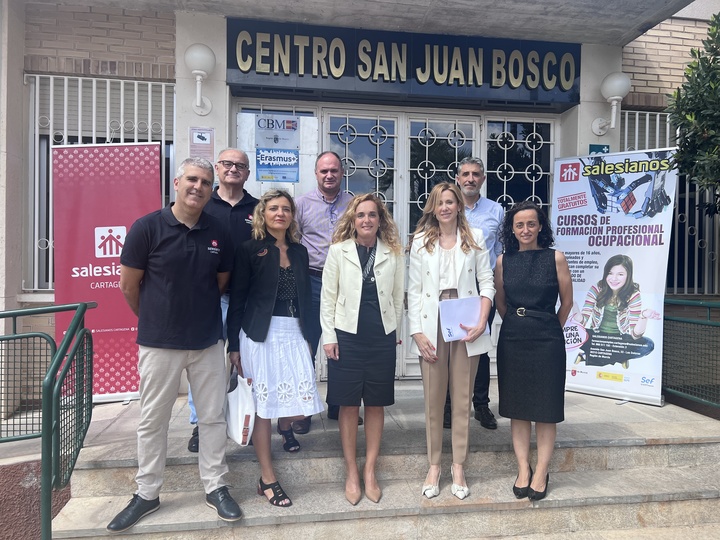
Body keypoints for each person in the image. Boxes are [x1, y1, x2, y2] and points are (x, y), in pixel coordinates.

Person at [108, 157, 241, 533]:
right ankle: (147, 493)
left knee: (213, 417)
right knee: (153, 420)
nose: (198, 187)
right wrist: (156, 316)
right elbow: (128, 287)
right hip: (159, 343)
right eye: (192, 180)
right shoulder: (147, 228)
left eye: (205, 182)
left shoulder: (218, 232)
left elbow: (219, 282)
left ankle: (215, 486)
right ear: (177, 182)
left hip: (206, 341)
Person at [227, 189, 324, 507]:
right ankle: (267, 478)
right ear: (262, 214)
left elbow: (306, 298)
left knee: (298, 403)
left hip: (294, 333)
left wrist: (312, 335)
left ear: (292, 215)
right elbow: (237, 299)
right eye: (273, 208)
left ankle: (287, 433)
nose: (280, 213)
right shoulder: (249, 249)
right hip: (258, 335)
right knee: (261, 410)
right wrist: (233, 346)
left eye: (286, 209)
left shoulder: (299, 252)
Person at [407, 182, 495, 501]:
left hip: (466, 323)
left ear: (459, 205)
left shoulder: (476, 239)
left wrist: (482, 320)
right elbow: (414, 291)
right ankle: (434, 465)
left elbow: (487, 284)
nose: (445, 207)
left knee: (461, 398)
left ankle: (458, 465)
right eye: (439, 202)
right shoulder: (420, 242)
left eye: (450, 201)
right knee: (433, 401)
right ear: (433, 207)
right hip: (432, 325)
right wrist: (417, 332)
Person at [320, 194, 404, 505]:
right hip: (347, 337)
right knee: (348, 405)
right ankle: (351, 471)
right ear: (353, 220)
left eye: (372, 215)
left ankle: (370, 470)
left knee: (377, 404)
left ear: (380, 220)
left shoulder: (393, 253)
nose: (366, 220)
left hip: (380, 337)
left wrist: (394, 331)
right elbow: (328, 299)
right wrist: (329, 336)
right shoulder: (338, 252)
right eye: (360, 215)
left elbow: (398, 298)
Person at [494, 200, 573, 502]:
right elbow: (501, 303)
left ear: (541, 226)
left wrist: (549, 327)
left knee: (546, 408)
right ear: (511, 229)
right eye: (519, 225)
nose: (525, 229)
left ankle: (541, 471)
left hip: (547, 340)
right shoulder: (503, 260)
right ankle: (522, 469)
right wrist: (519, 322)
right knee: (518, 408)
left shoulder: (556, 258)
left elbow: (566, 303)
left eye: (531, 223)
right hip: (514, 338)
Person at [187, 148, 258, 453]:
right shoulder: (202, 203)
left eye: (240, 165)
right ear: (217, 168)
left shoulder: (259, 208)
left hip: (248, 300)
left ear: (247, 173)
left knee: (248, 364)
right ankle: (200, 426)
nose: (233, 169)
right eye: (227, 163)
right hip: (210, 299)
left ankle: (248, 419)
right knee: (205, 365)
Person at [293, 151, 360, 434]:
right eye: (324, 171)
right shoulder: (301, 204)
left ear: (342, 172)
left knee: (342, 344)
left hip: (346, 283)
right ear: (316, 173)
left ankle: (339, 405)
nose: (329, 175)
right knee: (307, 344)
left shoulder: (354, 204)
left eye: (334, 170)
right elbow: (292, 240)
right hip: (311, 281)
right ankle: (304, 408)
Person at [444, 156, 504, 430]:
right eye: (465, 173)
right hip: (452, 287)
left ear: (483, 178)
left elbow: (501, 253)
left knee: (478, 346)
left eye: (475, 174)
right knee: (449, 346)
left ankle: (480, 405)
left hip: (483, 288)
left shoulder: (496, 211)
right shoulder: (447, 207)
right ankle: (448, 406)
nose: (470, 178)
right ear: (457, 178)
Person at [573, 254, 660, 369]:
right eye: (610, 273)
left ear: (628, 276)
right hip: (596, 337)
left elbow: (635, 335)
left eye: (620, 274)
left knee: (648, 345)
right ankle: (620, 357)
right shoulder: (596, 289)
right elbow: (582, 321)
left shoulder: (633, 294)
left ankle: (586, 356)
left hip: (618, 340)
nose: (614, 279)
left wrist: (643, 316)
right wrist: (572, 304)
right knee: (567, 334)